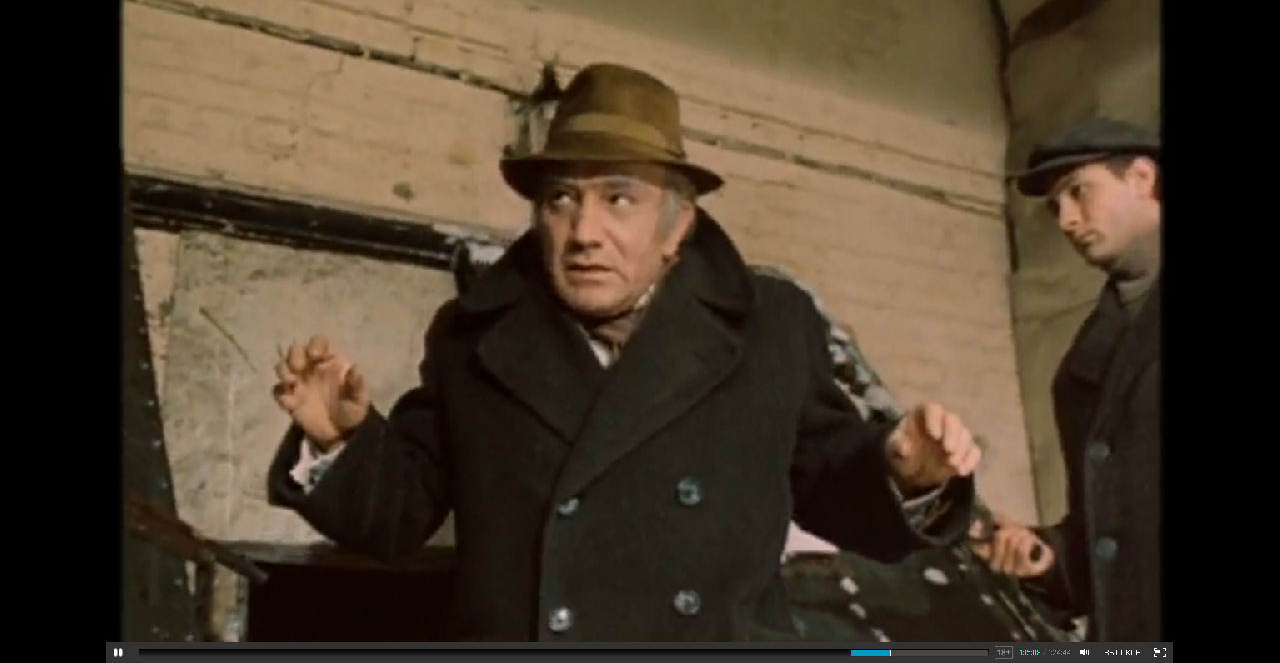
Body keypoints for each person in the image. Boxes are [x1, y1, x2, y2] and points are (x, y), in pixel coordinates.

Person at [266, 63, 983, 641]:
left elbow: (833, 484)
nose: (584, 233)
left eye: (619, 199)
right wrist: (339, 442)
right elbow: (398, 518)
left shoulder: (769, 329)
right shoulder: (474, 337)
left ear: (677, 226)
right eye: (561, 200)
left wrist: (905, 475)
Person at [970, 118, 1161, 642]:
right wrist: (1047, 557)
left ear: (1142, 178)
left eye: (1079, 192)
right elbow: (1106, 539)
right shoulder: (1079, 371)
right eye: (1056, 207)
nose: (1067, 220)